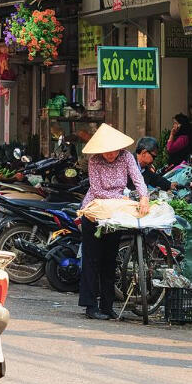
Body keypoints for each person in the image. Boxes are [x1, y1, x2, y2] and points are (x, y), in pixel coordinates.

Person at [77, 123, 150, 321]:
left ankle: (107, 306)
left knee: (110, 259)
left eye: (113, 151)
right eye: (106, 151)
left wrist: (144, 197)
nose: (110, 155)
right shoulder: (94, 161)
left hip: (116, 213)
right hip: (95, 211)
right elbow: (97, 190)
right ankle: (90, 306)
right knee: (92, 259)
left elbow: (137, 178)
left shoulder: (126, 157)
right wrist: (122, 199)